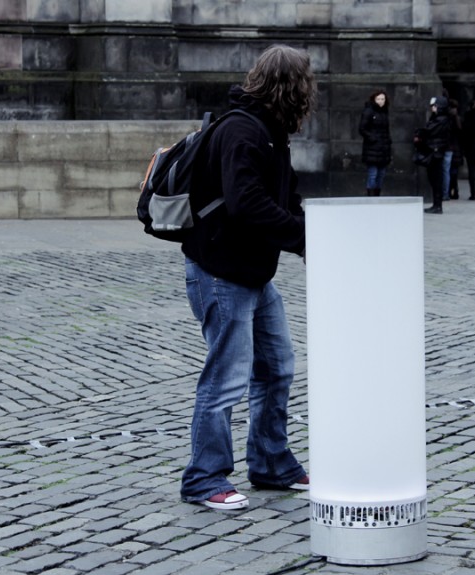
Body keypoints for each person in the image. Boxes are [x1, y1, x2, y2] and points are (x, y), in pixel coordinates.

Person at [179, 44, 314, 510]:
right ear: (292, 87)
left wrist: (304, 237)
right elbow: (247, 204)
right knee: (226, 377)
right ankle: (204, 478)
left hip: (252, 272)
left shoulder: (271, 133)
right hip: (220, 271)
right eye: (306, 83)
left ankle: (271, 463)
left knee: (277, 367)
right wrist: (303, 236)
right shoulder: (241, 130)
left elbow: (286, 196)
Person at [415, 96, 452, 214]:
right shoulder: (439, 118)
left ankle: (437, 205)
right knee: (434, 179)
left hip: (436, 151)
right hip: (435, 150)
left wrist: (419, 134)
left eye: (435, 106)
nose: (433, 108)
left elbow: (428, 131)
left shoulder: (441, 120)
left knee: (436, 179)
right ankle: (436, 204)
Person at [358, 89, 392, 196]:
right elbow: (362, 128)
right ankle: (371, 197)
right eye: (378, 99)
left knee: (381, 174)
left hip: (383, 148)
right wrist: (373, 138)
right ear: (374, 99)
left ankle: (377, 196)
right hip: (372, 148)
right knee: (373, 174)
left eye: (383, 99)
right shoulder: (369, 111)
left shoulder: (384, 112)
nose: (381, 101)